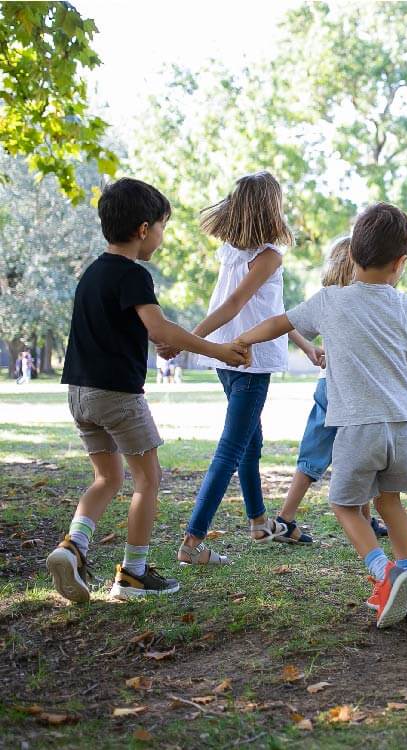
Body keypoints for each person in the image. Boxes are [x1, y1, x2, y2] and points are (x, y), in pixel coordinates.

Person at [234, 202, 407, 628]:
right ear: (401, 263)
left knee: (343, 503)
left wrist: (244, 338)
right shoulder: (406, 305)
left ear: (351, 255)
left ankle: (384, 573)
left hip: (358, 428)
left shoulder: (328, 301)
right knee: (389, 502)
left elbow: (280, 323)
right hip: (405, 428)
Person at [46, 177, 248, 603]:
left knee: (106, 477)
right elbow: (158, 327)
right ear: (143, 230)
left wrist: (164, 341)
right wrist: (217, 349)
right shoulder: (134, 275)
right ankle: (133, 574)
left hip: (79, 394)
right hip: (118, 396)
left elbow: (134, 331)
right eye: (161, 227)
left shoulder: (92, 275)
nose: (161, 235)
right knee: (147, 479)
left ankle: (73, 547)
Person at [171, 172, 322, 567]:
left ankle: (258, 522)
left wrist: (304, 344)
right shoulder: (268, 254)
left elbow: (270, 309)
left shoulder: (231, 251)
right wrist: (187, 339)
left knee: (250, 443)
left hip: (229, 355)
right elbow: (236, 304)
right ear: (272, 206)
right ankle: (193, 541)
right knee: (233, 447)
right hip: (248, 359)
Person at [275, 236, 388, 546]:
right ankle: (362, 518)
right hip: (350, 390)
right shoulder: (362, 299)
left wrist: (313, 348)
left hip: (327, 385)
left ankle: (286, 517)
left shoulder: (327, 298)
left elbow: (288, 322)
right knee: (361, 450)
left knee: (314, 454)